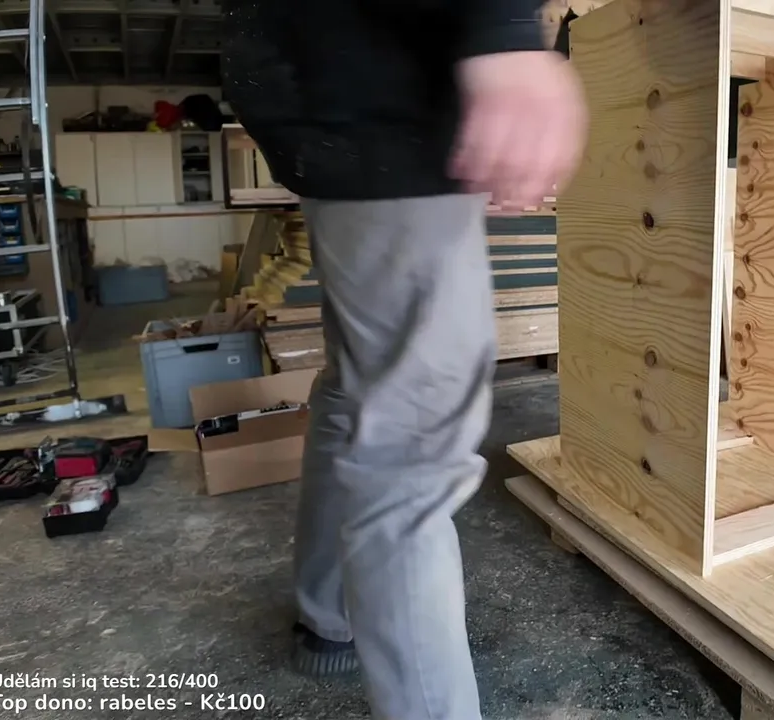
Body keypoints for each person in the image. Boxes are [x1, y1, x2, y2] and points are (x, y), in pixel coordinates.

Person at [220, 1, 587, 718]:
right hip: (386, 97)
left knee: (361, 393)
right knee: (413, 448)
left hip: (335, 94)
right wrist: (504, 31)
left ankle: (330, 615)